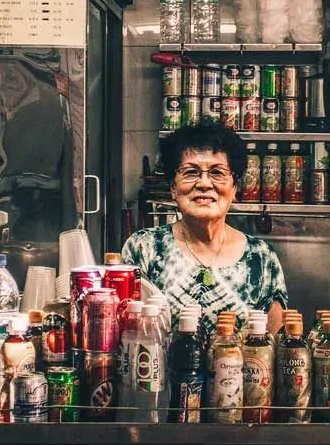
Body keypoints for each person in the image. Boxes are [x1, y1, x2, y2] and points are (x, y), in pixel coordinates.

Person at [122, 123, 289, 337]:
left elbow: (276, 344)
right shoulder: (144, 248)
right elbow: (127, 335)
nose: (204, 183)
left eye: (217, 173)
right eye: (191, 172)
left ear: (234, 188)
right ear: (173, 187)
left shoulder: (262, 257)